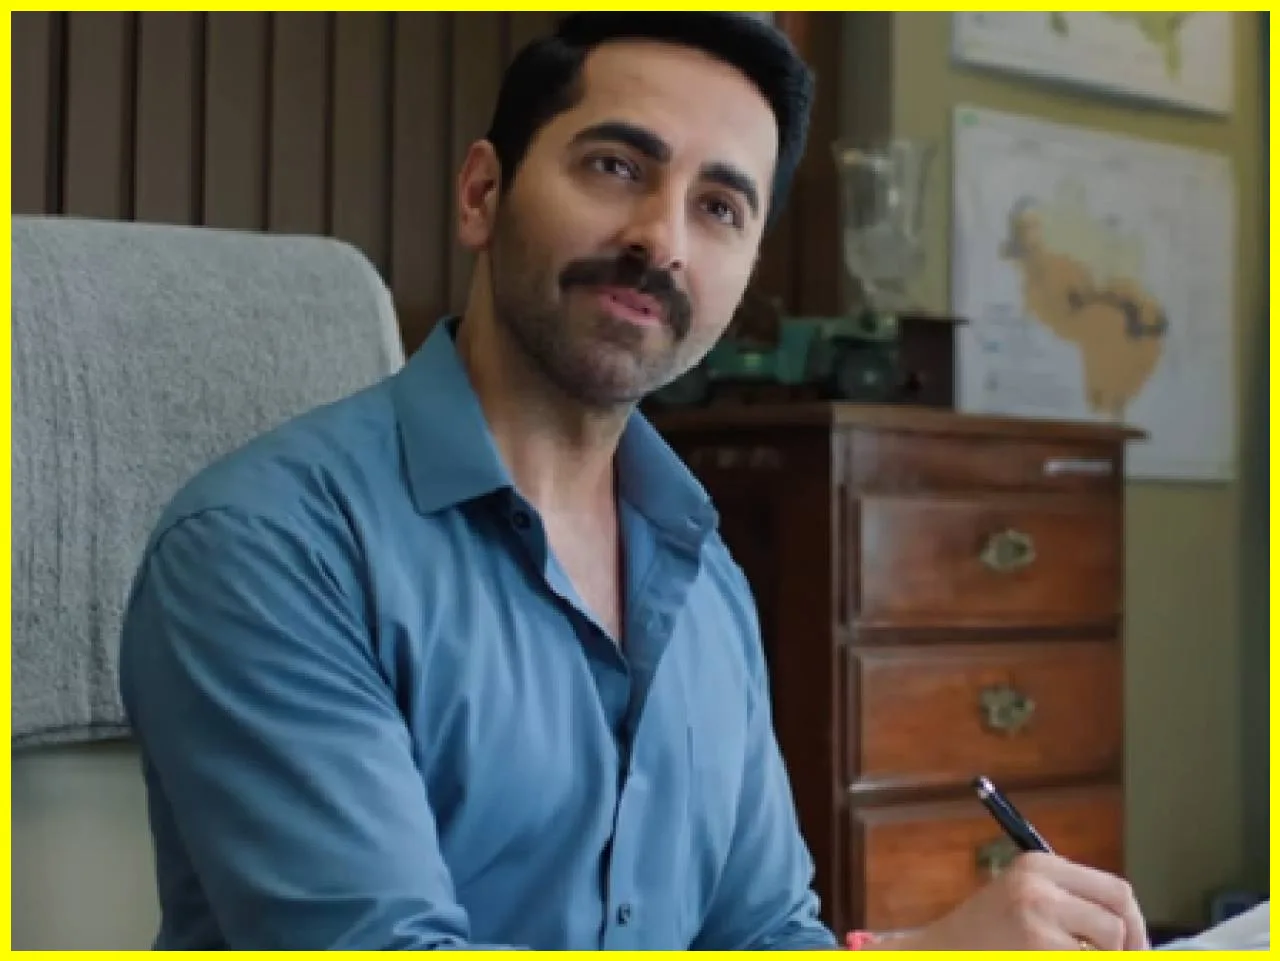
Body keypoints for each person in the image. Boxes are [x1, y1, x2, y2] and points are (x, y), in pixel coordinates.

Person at [118, 12, 1149, 952]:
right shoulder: (266, 547)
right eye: (615, 166)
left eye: (719, 208)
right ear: (481, 194)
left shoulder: (706, 580)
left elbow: (761, 933)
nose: (662, 240)